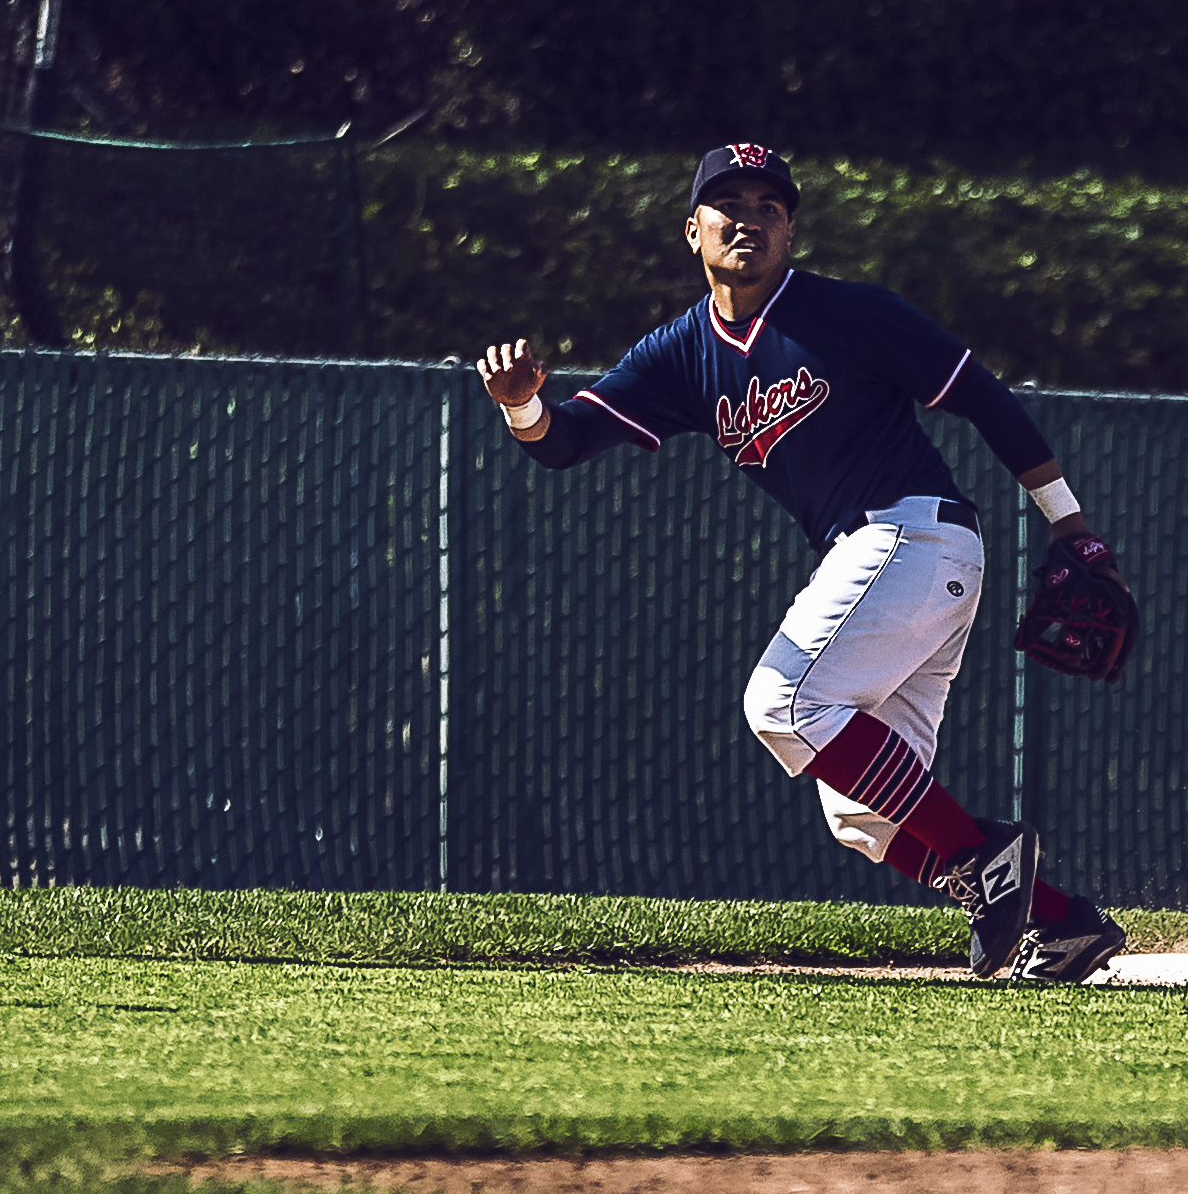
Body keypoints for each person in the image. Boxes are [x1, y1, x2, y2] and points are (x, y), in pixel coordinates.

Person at [471, 143, 1124, 983]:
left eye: (769, 207)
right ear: (692, 229)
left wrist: (1072, 529)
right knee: (865, 818)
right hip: (884, 561)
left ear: (790, 232)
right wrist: (522, 402)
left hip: (913, 538)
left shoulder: (848, 314)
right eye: (729, 204)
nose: (749, 218)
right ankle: (1066, 922)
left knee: (781, 699)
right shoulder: (681, 353)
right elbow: (564, 441)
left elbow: (983, 398)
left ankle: (985, 854)